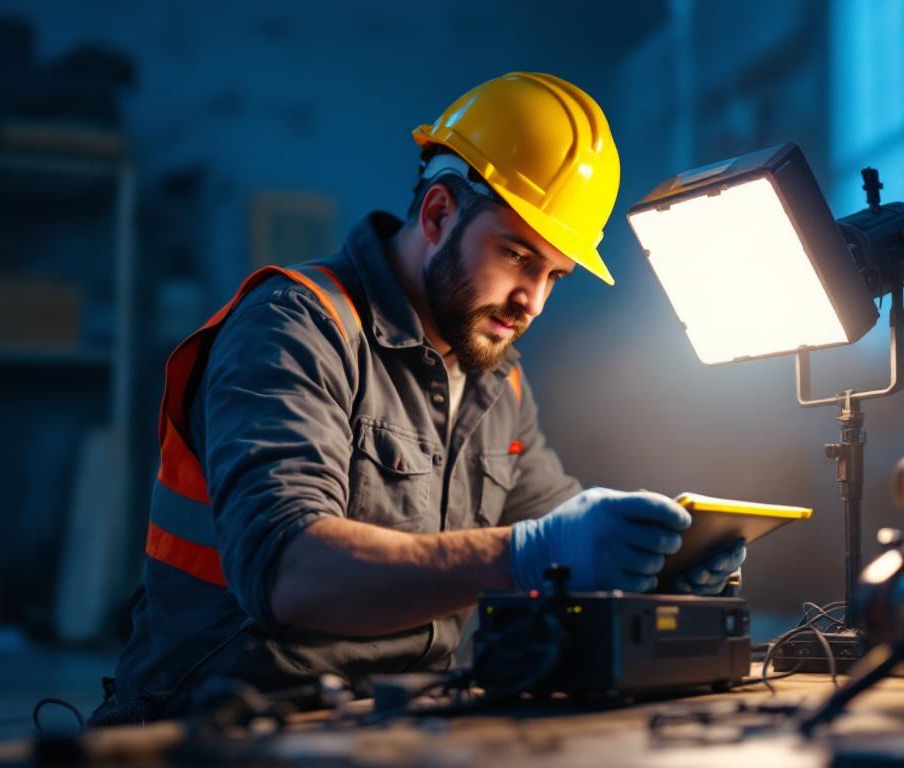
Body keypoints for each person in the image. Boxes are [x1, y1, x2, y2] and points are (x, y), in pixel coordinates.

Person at [95, 72, 746, 723]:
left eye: (554, 274)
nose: (534, 301)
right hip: (221, 724)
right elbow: (289, 572)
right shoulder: (297, 324)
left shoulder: (497, 380)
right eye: (517, 255)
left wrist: (659, 565)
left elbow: (560, 535)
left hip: (397, 720)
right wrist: (527, 553)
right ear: (437, 214)